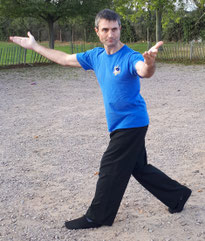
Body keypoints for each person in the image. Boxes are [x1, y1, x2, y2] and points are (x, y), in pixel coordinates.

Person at [10, 9, 191, 230]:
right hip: (119, 125)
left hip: (132, 123)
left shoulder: (130, 56)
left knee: (110, 165)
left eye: (114, 29)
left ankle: (97, 216)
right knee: (138, 167)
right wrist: (35, 47)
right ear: (97, 31)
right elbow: (65, 59)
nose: (110, 34)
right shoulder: (95, 56)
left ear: (120, 29)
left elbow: (143, 70)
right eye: (105, 29)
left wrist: (150, 63)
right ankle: (177, 195)